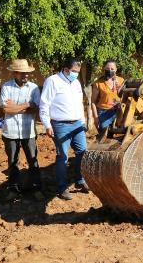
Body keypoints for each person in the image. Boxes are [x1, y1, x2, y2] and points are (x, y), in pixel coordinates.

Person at [39, 57, 89, 200]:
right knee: (63, 157)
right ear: (65, 69)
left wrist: (83, 121)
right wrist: (47, 125)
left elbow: (80, 104)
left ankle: (80, 180)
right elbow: (44, 104)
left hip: (77, 124)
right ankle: (62, 188)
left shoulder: (76, 83)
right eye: (74, 71)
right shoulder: (53, 81)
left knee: (82, 153)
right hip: (60, 125)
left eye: (78, 72)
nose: (76, 74)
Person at [0, 59, 43, 201]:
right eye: (22, 73)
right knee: (13, 162)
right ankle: (13, 189)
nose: (25, 75)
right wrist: (25, 105)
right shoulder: (6, 87)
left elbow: (36, 109)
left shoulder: (34, 88)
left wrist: (15, 108)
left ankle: (36, 188)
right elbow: (6, 109)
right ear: (14, 73)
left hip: (28, 131)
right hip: (10, 131)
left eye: (27, 73)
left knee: (33, 160)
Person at [91, 59, 124, 137]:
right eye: (107, 69)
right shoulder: (98, 83)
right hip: (103, 113)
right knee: (104, 136)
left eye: (112, 69)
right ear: (104, 69)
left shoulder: (121, 81)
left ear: (116, 70)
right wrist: (96, 118)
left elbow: (125, 96)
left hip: (118, 112)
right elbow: (92, 102)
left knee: (118, 137)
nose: (110, 70)